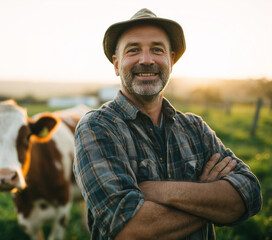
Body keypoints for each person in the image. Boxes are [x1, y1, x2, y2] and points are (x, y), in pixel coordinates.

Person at [73, 8, 262, 240]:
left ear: (171, 61)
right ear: (116, 64)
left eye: (157, 50)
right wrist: (209, 199)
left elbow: (250, 194)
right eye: (133, 50)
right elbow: (129, 229)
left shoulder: (195, 128)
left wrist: (157, 190)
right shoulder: (98, 128)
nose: (146, 60)